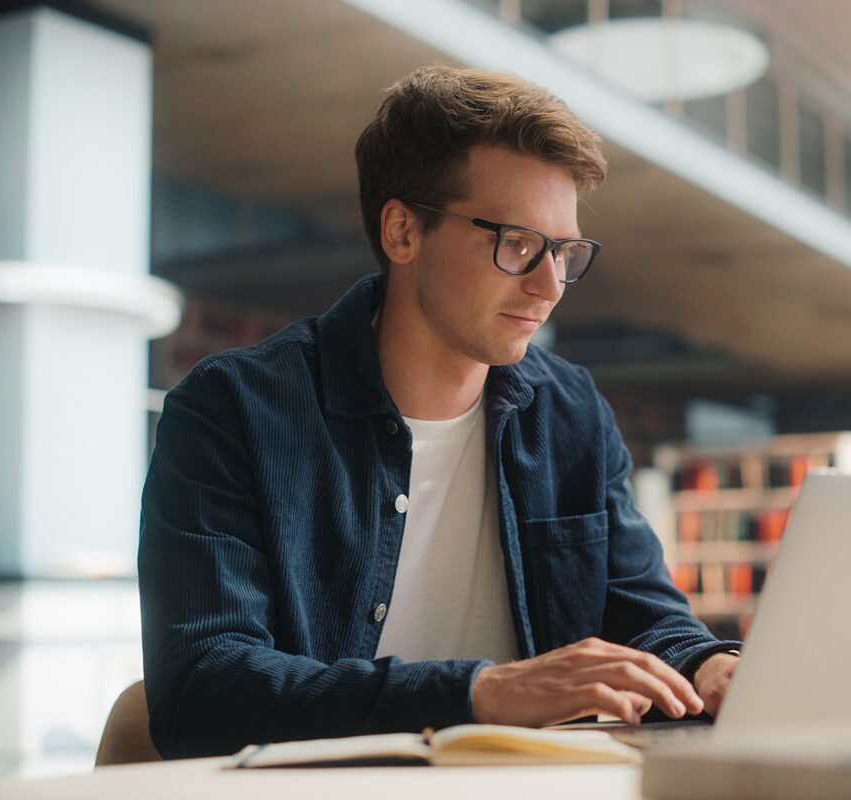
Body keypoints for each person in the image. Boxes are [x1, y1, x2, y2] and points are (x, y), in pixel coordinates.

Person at [139, 65, 742, 760]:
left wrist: (708, 664)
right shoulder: (232, 412)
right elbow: (201, 691)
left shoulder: (571, 411)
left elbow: (645, 616)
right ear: (402, 231)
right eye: (516, 243)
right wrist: (481, 692)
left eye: (565, 252)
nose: (549, 286)